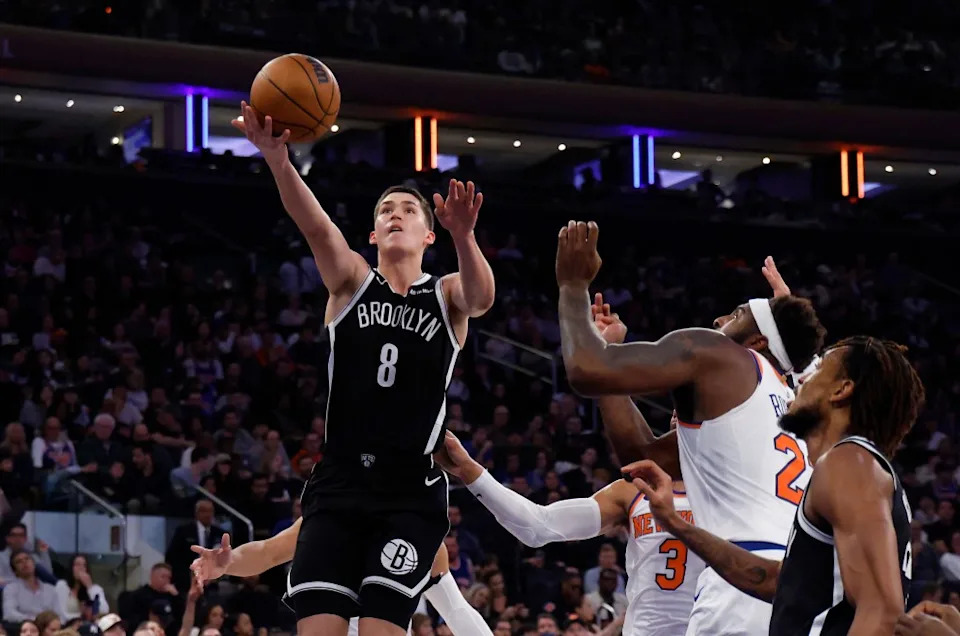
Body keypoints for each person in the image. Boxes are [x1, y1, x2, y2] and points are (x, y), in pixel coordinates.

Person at [231, 103, 495, 636]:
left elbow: (482, 298)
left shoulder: (446, 294)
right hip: (340, 483)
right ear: (372, 235)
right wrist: (279, 161)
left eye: (409, 210)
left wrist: (465, 237)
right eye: (385, 210)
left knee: (379, 627)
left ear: (429, 235)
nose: (395, 214)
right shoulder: (351, 281)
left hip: (409, 490)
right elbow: (315, 226)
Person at [555, 224, 825, 636]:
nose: (719, 319)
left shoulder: (718, 353)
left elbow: (584, 370)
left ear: (757, 341)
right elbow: (641, 457)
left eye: (737, 314)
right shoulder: (791, 403)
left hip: (740, 583)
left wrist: (572, 286)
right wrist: (610, 354)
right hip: (797, 590)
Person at [626, 335, 925, 635]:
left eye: (819, 369)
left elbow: (881, 611)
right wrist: (675, 523)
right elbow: (773, 581)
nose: (803, 378)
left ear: (841, 390)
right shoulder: (852, 472)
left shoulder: (849, 462)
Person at [436, 431, 702, 636]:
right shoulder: (633, 491)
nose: (679, 419)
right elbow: (538, 526)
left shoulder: (725, 497)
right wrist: (469, 470)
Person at [188, 526, 491, 635]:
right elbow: (268, 552)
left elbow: (456, 610)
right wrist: (228, 563)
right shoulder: (325, 520)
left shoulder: (421, 537)